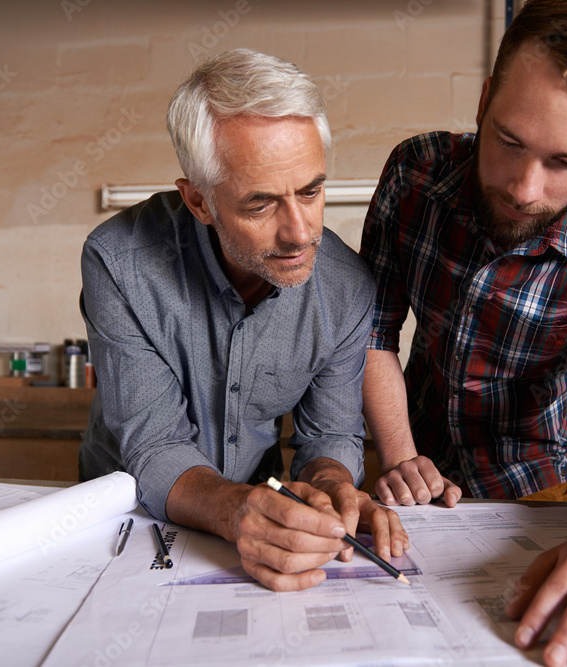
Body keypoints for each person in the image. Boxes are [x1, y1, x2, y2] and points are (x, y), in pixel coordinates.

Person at [360, 1, 567, 665]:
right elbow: (369, 333)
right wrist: (397, 453)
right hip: (402, 455)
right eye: (509, 141)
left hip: (530, 484)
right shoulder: (415, 173)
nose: (525, 187)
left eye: (566, 160)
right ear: (484, 101)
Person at [79, 48, 407, 592]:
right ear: (199, 201)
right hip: (121, 518)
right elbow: (155, 446)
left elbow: (331, 433)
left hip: (259, 513)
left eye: (311, 191)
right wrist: (237, 511)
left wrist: (330, 486)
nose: (301, 234)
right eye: (260, 205)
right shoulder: (119, 261)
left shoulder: (347, 286)